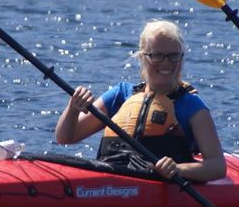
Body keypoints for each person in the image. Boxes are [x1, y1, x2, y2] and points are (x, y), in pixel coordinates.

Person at [55, 19, 226, 183]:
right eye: (157, 55)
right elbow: (65, 137)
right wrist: (73, 108)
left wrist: (178, 169)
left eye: (173, 56)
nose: (166, 63)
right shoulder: (120, 95)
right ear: (142, 57)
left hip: (160, 188)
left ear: (181, 58)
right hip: (111, 180)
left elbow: (217, 166)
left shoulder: (192, 107)